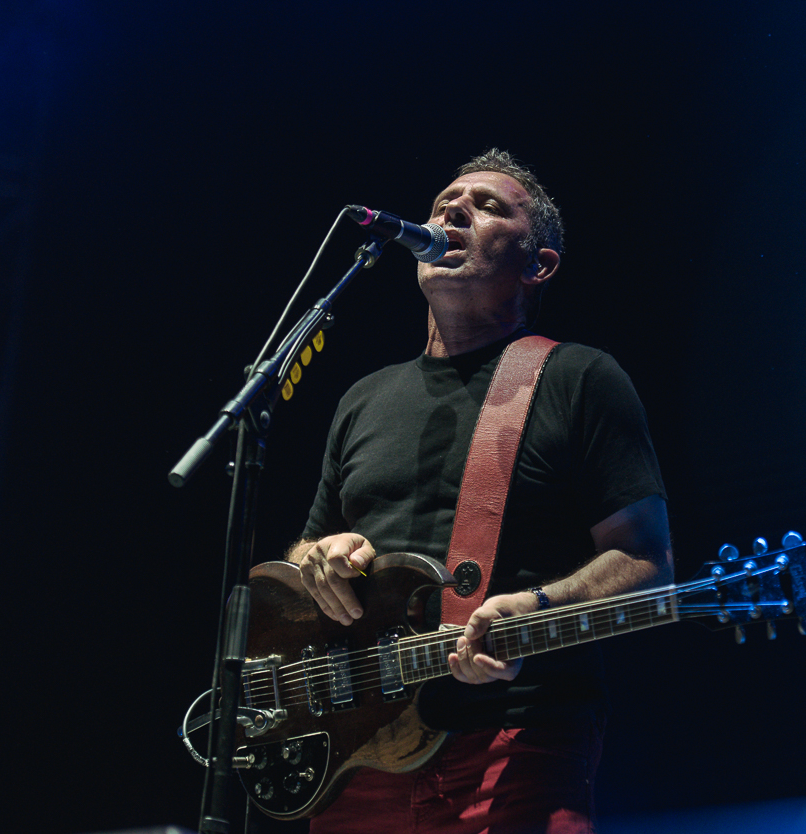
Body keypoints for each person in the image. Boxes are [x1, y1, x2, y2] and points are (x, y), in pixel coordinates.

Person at [287, 149, 672, 833]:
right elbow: (303, 553)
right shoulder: (363, 398)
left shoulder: (579, 378)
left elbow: (648, 562)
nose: (453, 210)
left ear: (538, 264)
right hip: (359, 758)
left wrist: (538, 605)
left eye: (488, 206)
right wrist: (318, 559)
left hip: (515, 746)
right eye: (445, 201)